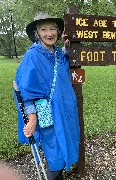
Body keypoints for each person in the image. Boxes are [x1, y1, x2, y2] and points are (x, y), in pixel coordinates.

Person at [14, 12, 80, 179]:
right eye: (44, 29)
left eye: (53, 29)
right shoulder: (33, 56)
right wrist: (32, 119)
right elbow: (26, 91)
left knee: (64, 143)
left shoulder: (57, 54)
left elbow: (64, 65)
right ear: (37, 33)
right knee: (55, 150)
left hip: (65, 110)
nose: (49, 33)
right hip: (47, 114)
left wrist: (66, 47)